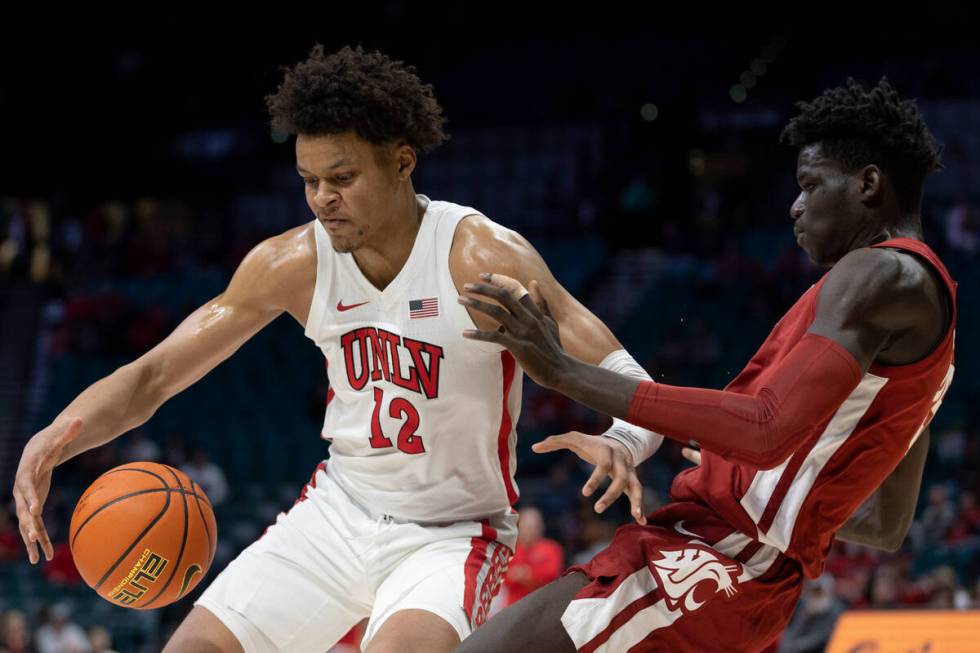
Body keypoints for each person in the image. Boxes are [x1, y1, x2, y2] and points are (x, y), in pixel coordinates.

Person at [13, 44, 662, 653]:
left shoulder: (478, 257)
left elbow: (622, 371)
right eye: (308, 179)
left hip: (450, 536)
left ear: (403, 160)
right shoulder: (292, 263)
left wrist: (625, 439)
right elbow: (153, 376)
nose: (323, 198)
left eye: (342, 177)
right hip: (335, 514)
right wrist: (58, 434)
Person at [454, 77, 954, 652]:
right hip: (749, 579)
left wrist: (565, 372)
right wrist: (762, 483)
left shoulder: (878, 272)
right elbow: (887, 525)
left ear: (868, 183)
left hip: (718, 556)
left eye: (811, 185)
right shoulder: (934, 330)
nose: (795, 205)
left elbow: (765, 428)